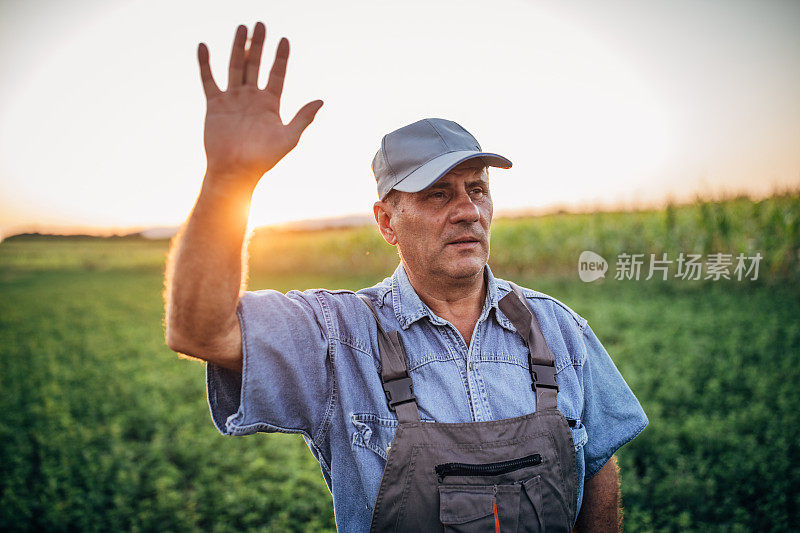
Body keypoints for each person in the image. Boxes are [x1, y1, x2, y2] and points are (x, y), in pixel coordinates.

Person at [164, 21, 648, 532]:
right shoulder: (340, 338)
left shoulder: (560, 330)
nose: (467, 211)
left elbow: (597, 467)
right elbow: (199, 330)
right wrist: (228, 181)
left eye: (477, 189)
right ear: (387, 222)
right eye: (438, 194)